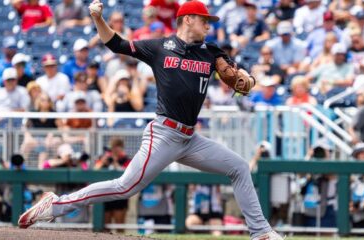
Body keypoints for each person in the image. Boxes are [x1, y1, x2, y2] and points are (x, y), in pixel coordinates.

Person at [18, 1, 283, 239]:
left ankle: (260, 233)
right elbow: (116, 44)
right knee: (125, 187)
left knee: (238, 167)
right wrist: (99, 19)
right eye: (205, 20)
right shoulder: (159, 47)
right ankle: (55, 205)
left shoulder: (211, 51)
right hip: (164, 134)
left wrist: (246, 79)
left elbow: (239, 74)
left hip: (190, 139)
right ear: (188, 19)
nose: (208, 25)